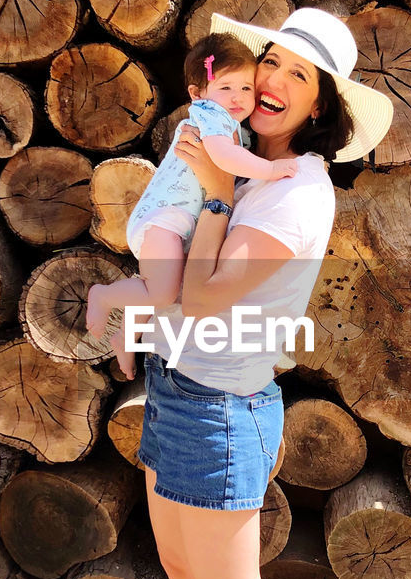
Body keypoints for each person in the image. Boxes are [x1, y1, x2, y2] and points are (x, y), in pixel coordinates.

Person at [119, 7, 393, 579]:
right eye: (269, 59)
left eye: (297, 75)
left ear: (319, 108)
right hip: (179, 383)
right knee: (181, 566)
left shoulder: (296, 197)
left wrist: (206, 194)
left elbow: (200, 295)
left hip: (224, 408)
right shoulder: (240, 156)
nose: (271, 79)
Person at [85, 33, 297, 377]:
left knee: (154, 287)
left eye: (246, 88)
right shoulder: (210, 116)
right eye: (225, 87)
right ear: (197, 94)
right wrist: (271, 169)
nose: (238, 97)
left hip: (176, 225)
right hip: (164, 221)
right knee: (164, 292)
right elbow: (223, 156)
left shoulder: (231, 126)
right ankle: (103, 295)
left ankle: (127, 336)